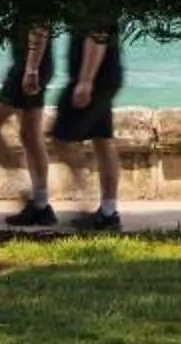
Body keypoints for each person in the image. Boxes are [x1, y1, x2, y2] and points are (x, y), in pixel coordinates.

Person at [48, 23, 126, 231]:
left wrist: (85, 81)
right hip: (106, 76)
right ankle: (108, 211)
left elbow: (98, 33)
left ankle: (87, 196)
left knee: (60, 139)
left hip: (94, 79)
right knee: (102, 140)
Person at [0, 22, 58, 227]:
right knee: (30, 136)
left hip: (29, 67)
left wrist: (31, 69)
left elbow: (40, 25)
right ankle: (40, 204)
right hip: (32, 65)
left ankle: (26, 191)